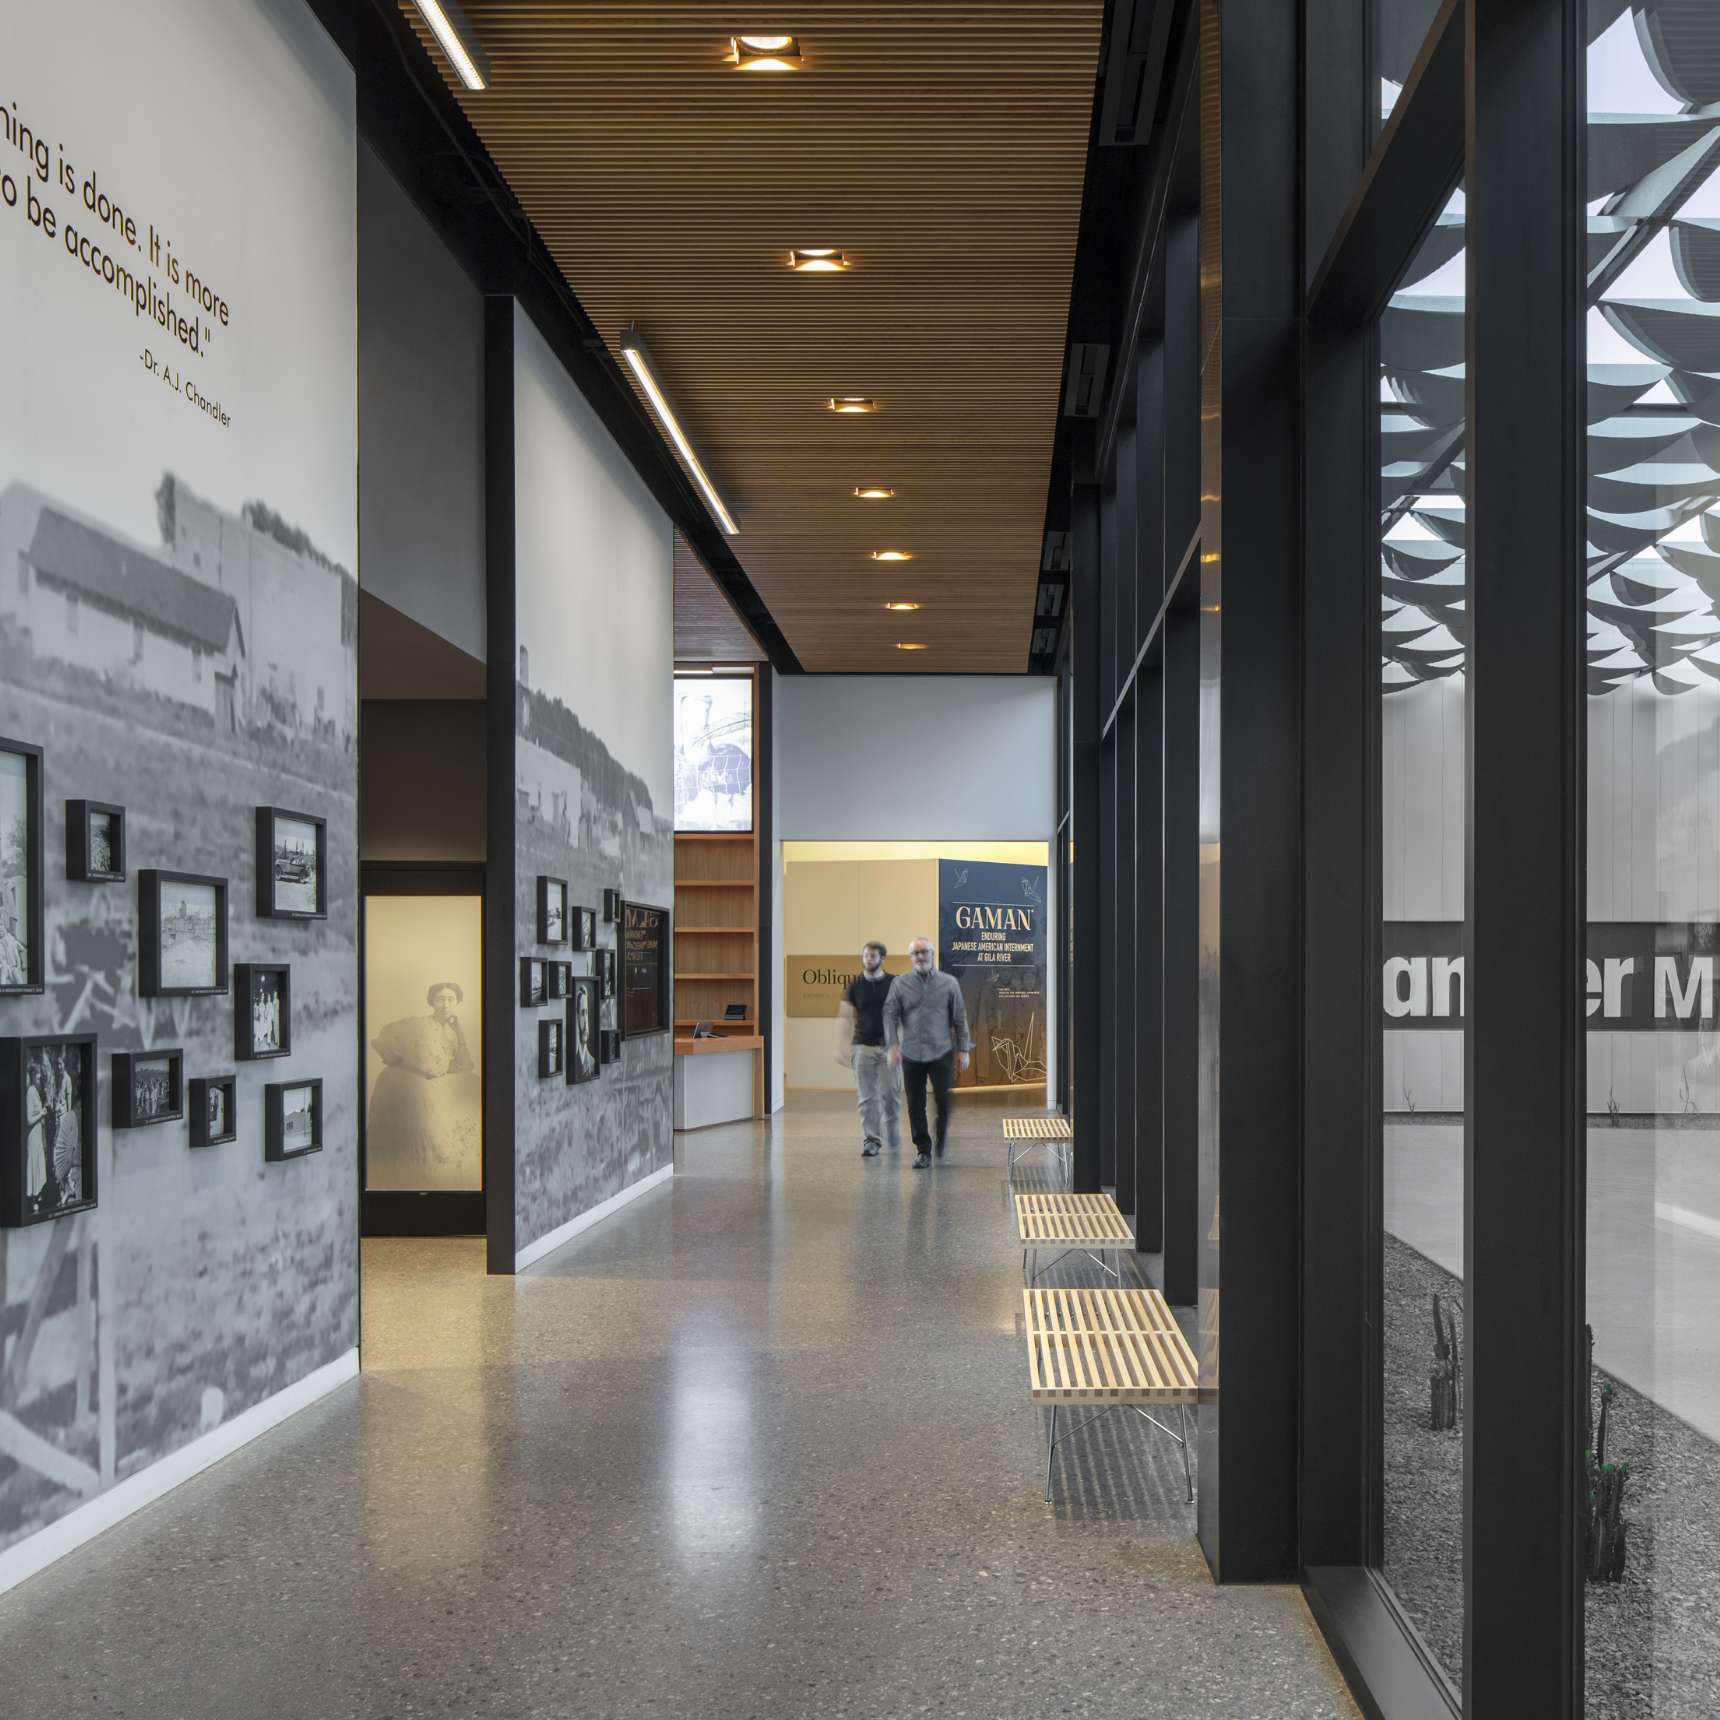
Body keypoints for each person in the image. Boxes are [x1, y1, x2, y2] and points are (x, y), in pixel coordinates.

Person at [368, 981, 480, 1190]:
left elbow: (465, 1065)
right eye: (440, 999)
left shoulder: (453, 1030)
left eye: (450, 999)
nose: (445, 1004)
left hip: (437, 1080)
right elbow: (386, 1042)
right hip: (414, 1081)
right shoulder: (417, 1024)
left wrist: (459, 1030)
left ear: (457, 1003)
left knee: (473, 1088)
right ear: (431, 1002)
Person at [885, 937, 972, 1168]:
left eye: (925, 952)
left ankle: (941, 1135)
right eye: (916, 953)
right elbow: (890, 1016)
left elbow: (960, 1017)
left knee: (944, 1101)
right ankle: (923, 1150)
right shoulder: (900, 984)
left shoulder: (949, 983)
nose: (921, 957)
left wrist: (964, 1049)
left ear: (933, 955)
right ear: (911, 957)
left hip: (941, 1051)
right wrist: (893, 1045)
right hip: (911, 1053)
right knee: (915, 1104)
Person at [837, 940, 900, 1158]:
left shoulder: (895, 983)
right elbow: (845, 1018)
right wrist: (843, 1047)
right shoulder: (855, 985)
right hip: (862, 1046)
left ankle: (892, 1130)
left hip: (889, 1048)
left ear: (883, 958)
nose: (868, 959)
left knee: (891, 1095)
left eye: (873, 956)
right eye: (865, 955)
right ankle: (872, 1140)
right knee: (867, 1097)